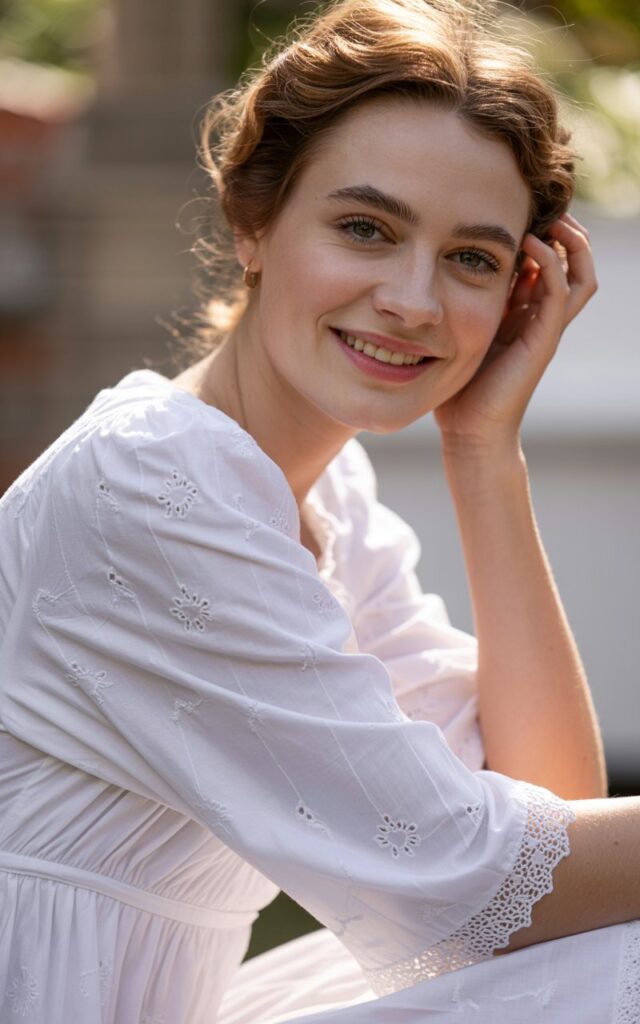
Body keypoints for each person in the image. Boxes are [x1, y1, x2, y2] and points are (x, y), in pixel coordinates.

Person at [0, 0, 638, 1021]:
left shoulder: (320, 496)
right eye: (364, 229)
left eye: (471, 258)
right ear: (252, 220)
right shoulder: (148, 485)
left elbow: (548, 820)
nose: (413, 300)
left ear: (521, 288)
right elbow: (460, 878)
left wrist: (483, 451)